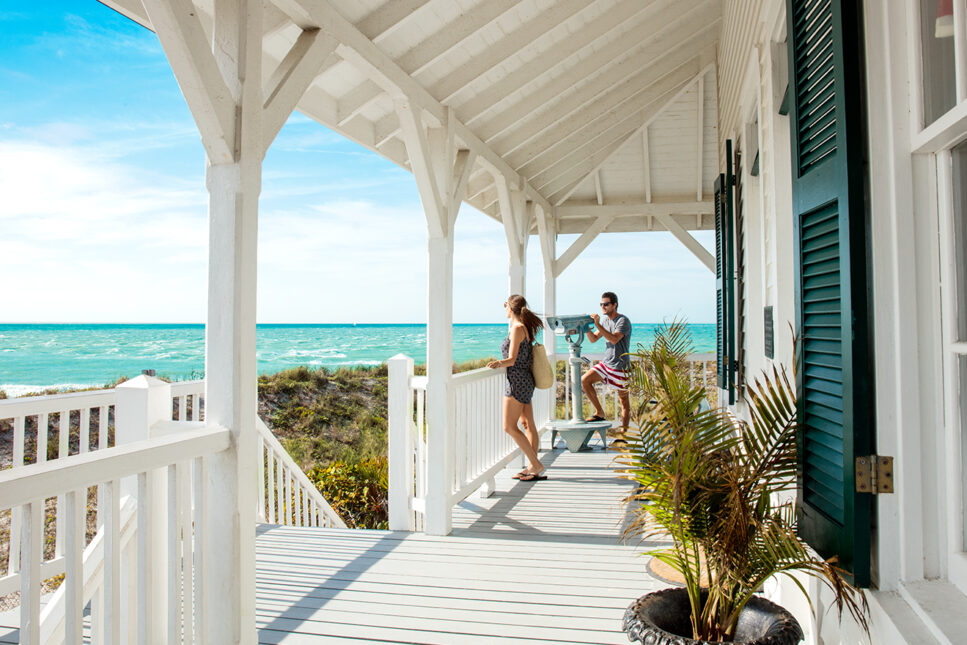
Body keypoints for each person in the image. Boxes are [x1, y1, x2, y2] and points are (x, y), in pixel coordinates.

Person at [487, 294, 546, 481]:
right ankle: (532, 467)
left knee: (509, 427)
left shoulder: (517, 329)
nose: (504, 309)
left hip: (517, 382)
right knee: (528, 424)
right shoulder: (524, 328)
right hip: (525, 381)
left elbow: (512, 359)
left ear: (510, 309)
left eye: (505, 306)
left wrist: (498, 363)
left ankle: (535, 464)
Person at [581, 291, 632, 433]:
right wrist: (586, 327)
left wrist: (598, 325)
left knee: (624, 402)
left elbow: (614, 339)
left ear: (614, 305)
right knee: (584, 380)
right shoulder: (605, 321)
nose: (603, 307)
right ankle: (600, 412)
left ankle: (624, 435)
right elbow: (593, 339)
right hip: (606, 364)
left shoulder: (623, 321)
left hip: (620, 367)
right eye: (601, 304)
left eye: (606, 304)